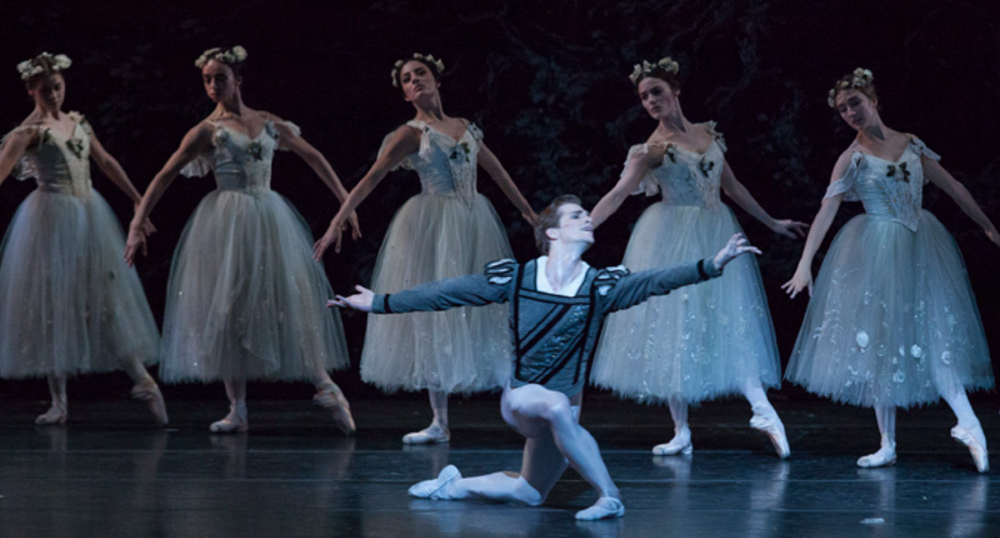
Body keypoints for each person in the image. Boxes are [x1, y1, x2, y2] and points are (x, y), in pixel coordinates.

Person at [331, 195, 761, 520]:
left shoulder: (600, 286)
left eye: (586, 214)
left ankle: (453, 486)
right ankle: (610, 497)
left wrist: (712, 263)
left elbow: (656, 281)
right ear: (552, 232)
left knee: (530, 493)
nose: (588, 218)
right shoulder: (518, 278)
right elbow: (449, 291)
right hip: (521, 399)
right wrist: (382, 302)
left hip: (563, 414)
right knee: (555, 406)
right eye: (576, 216)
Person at [124, 46, 356, 434]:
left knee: (288, 299)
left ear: (238, 80)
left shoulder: (268, 123)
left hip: (268, 217)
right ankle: (237, 408)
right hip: (224, 222)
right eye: (207, 80)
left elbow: (314, 157)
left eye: (220, 78)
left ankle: (326, 385)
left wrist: (345, 202)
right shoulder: (207, 131)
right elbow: (164, 174)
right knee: (229, 307)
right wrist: (137, 221)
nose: (213, 86)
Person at [313, 53, 537, 444]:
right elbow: (370, 179)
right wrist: (337, 221)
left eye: (420, 73)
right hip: (432, 225)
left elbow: (497, 172)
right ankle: (439, 420)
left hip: (473, 222)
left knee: (487, 308)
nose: (414, 80)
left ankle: (515, 405)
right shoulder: (411, 134)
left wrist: (531, 216)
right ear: (404, 94)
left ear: (437, 79)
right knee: (436, 311)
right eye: (406, 78)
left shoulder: (465, 128)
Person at [588, 57, 806, 458]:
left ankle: (762, 408)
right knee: (675, 325)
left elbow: (733, 187)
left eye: (656, 91)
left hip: (716, 230)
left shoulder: (708, 133)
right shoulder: (650, 150)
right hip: (669, 237)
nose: (651, 101)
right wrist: (585, 227)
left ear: (675, 90)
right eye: (643, 97)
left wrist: (772, 223)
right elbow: (619, 193)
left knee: (731, 320)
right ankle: (680, 429)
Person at [783, 68, 996, 472]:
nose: (849, 112)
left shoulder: (912, 145)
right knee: (880, 343)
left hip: (921, 245)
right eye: (843, 109)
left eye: (855, 103)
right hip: (874, 250)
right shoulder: (851, 158)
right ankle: (887, 443)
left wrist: (987, 224)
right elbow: (827, 209)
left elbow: (955, 188)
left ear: (873, 101)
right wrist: (804, 264)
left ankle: (969, 423)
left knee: (937, 331)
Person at [0, 52, 167, 425]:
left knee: (107, 298)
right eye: (45, 91)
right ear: (31, 91)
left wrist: (138, 199)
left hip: (90, 216)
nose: (54, 95)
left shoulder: (79, 123)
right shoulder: (28, 134)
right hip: (50, 219)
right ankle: (58, 400)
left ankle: (142, 380)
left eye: (58, 88)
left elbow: (106, 163)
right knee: (53, 306)